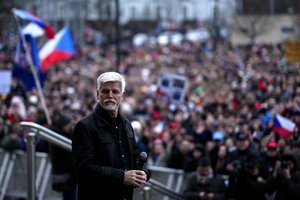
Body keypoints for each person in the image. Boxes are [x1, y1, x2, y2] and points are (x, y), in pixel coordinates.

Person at [72, 71, 150, 200]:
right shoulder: (84, 126)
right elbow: (83, 168)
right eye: (105, 91)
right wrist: (122, 176)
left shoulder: (126, 124)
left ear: (122, 95)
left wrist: (144, 173)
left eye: (115, 91)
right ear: (98, 94)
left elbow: (134, 156)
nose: (110, 95)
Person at [49, 111, 76, 200]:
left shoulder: (58, 135)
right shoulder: (60, 137)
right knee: (70, 195)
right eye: (69, 124)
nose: (71, 126)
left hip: (67, 173)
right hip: (66, 173)